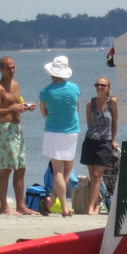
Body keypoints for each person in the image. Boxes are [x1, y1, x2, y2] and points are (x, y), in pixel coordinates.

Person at [0, 56, 39, 215]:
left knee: (21, 168)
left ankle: (21, 206)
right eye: (8, 68)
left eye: (13, 67)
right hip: (4, 130)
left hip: (17, 129)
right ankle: (4, 207)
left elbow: (17, 105)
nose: (12, 71)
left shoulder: (16, 85)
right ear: (1, 70)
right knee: (6, 168)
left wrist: (25, 107)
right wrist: (13, 109)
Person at [39, 55, 81, 217]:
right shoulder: (75, 88)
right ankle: (60, 206)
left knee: (57, 170)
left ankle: (57, 204)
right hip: (71, 132)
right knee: (67, 171)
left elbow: (44, 113)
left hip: (52, 132)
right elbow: (76, 109)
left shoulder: (45, 92)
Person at [81, 76, 118, 216]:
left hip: (105, 142)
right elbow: (89, 123)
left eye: (103, 85)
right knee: (92, 176)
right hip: (90, 141)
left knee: (97, 175)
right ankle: (95, 205)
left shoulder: (112, 102)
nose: (100, 87)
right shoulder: (90, 103)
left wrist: (113, 140)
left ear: (108, 88)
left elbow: (115, 122)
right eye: (98, 85)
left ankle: (92, 207)